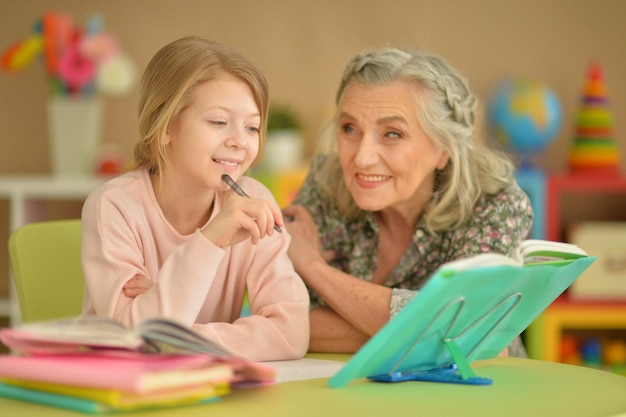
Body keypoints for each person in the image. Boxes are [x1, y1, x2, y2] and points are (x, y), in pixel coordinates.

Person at [282, 47, 533, 356]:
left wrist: (313, 267)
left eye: (392, 134)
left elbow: (468, 328)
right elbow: (281, 317)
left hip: (473, 396)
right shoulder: (326, 181)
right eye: (350, 129)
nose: (362, 157)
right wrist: (431, 336)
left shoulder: (496, 204)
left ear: (444, 149)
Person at [80, 36, 310, 361]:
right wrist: (212, 239)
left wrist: (178, 336)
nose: (240, 142)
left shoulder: (254, 201)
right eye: (219, 122)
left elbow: (292, 334)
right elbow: (135, 341)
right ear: (165, 127)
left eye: (253, 128)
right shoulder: (114, 206)